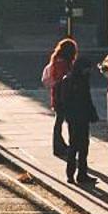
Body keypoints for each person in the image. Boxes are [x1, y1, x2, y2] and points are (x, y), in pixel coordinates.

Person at [57, 46, 99, 187]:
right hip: (75, 119)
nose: (89, 71)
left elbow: (87, 99)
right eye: (87, 68)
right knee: (75, 146)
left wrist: (91, 114)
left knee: (83, 147)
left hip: (82, 118)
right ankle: (71, 174)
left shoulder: (82, 79)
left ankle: (81, 174)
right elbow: (65, 100)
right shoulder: (69, 80)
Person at [42, 38, 77, 160]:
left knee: (59, 121)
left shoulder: (55, 60)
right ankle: (59, 146)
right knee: (63, 121)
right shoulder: (64, 63)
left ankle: (60, 145)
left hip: (57, 95)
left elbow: (49, 79)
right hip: (64, 96)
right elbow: (65, 79)